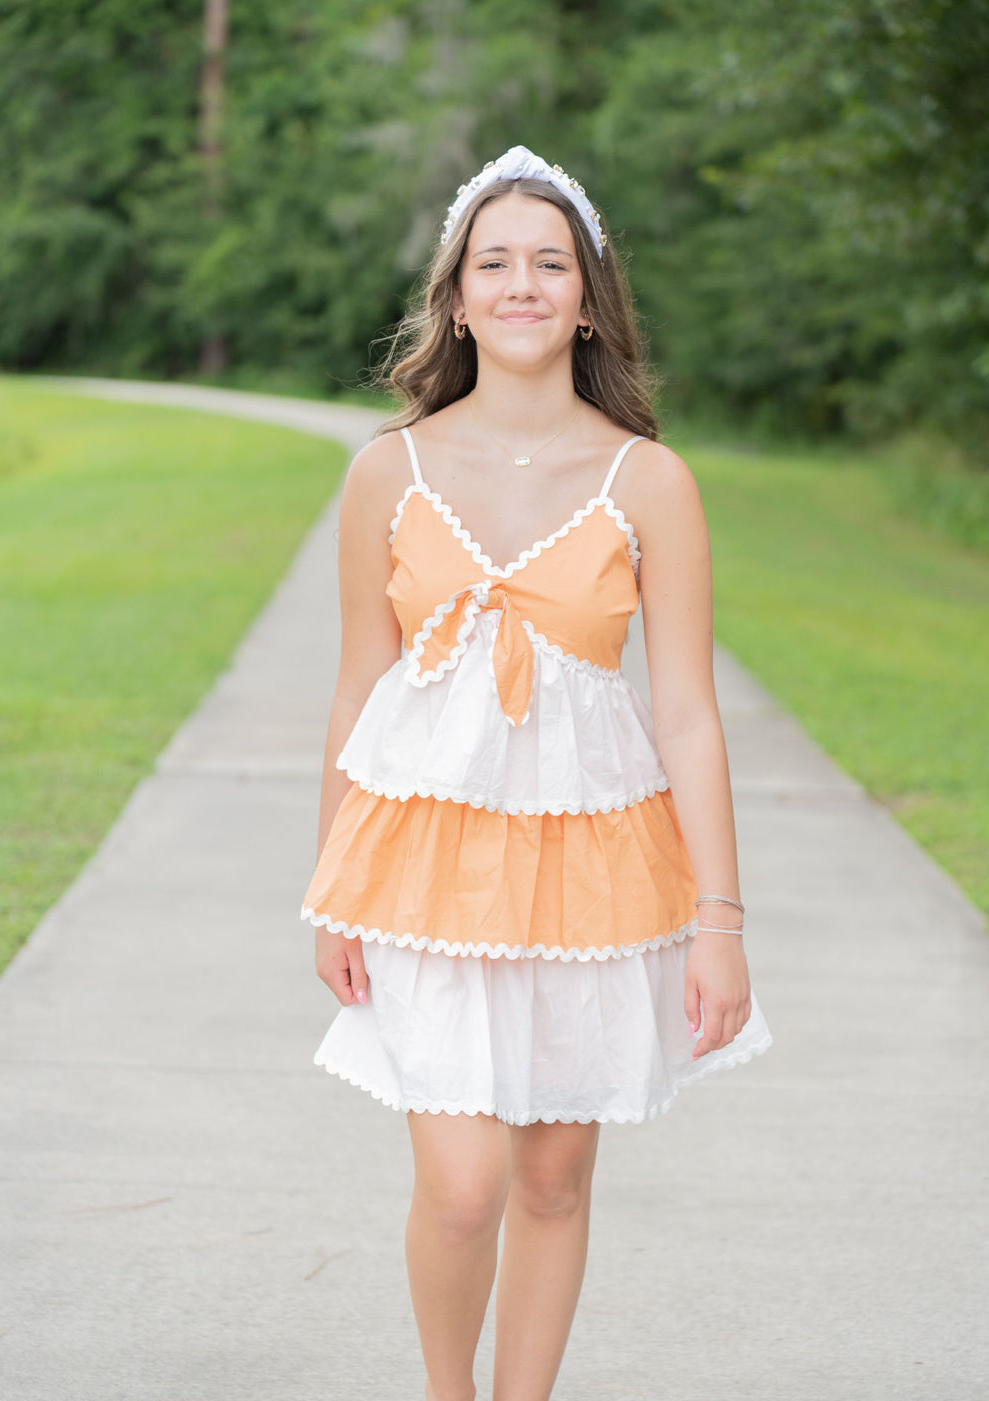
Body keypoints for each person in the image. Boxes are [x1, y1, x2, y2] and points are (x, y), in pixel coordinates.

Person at [302, 145, 771, 1401]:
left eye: (549, 263)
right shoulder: (384, 474)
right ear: (457, 297)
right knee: (462, 1192)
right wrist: (330, 890)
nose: (521, 284)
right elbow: (360, 690)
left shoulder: (649, 482)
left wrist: (717, 922)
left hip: (596, 872)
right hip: (421, 875)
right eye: (493, 262)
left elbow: (685, 713)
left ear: (585, 297)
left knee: (553, 1180)